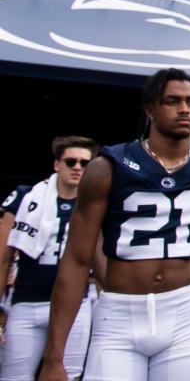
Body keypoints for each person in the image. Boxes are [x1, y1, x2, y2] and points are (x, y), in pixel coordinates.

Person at [38, 68, 190, 381]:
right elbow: (77, 261)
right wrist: (54, 359)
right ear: (150, 109)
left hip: (184, 314)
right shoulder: (107, 168)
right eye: (172, 101)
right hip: (119, 311)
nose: (184, 109)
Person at [0, 136, 102, 381]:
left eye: (84, 163)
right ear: (57, 164)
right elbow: (3, 257)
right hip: (27, 301)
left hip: (76, 305)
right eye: (71, 161)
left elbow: (103, 257)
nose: (78, 167)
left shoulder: (98, 204)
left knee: (69, 375)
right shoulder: (26, 197)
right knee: (13, 376)